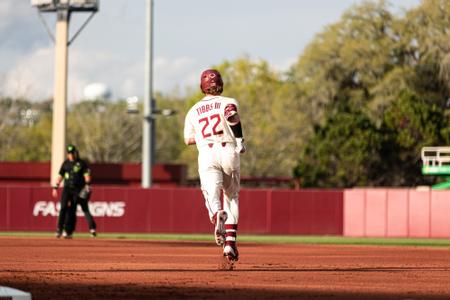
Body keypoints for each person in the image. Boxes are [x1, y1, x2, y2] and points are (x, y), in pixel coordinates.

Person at [183, 69, 246, 263]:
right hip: (228, 149)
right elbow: (231, 116)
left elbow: (188, 140)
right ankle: (230, 243)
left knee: (211, 194)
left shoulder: (193, 111)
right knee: (232, 196)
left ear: (202, 87)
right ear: (221, 84)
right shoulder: (228, 101)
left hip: (207, 153)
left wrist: (203, 136)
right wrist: (240, 139)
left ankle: (216, 214)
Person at [52, 144, 97, 238]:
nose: (71, 155)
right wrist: (55, 187)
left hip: (77, 189)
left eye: (72, 153)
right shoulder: (65, 163)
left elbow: (87, 176)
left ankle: (69, 231)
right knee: (63, 208)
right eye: (69, 153)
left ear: (75, 153)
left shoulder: (81, 163)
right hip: (67, 188)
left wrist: (88, 185)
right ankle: (59, 229)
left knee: (72, 210)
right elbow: (60, 176)